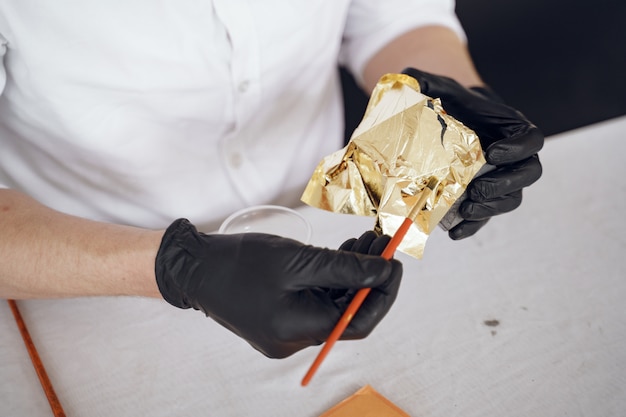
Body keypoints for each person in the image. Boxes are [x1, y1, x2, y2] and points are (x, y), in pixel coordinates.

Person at [0, 1, 542, 359]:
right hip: (81, 275)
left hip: (322, 225)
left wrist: (450, 120)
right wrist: (177, 267)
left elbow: (395, 20)